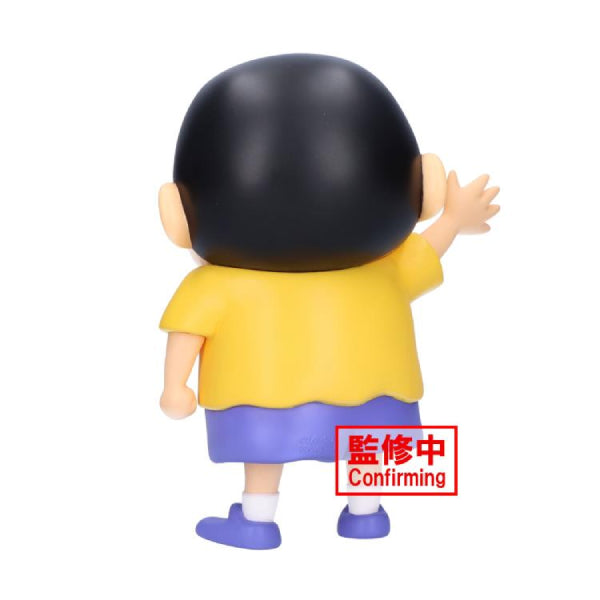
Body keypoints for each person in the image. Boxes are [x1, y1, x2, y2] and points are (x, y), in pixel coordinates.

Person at [158, 54, 500, 549]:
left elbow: (187, 333)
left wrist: (175, 388)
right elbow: (426, 251)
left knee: (265, 456)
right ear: (422, 185)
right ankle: (366, 513)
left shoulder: (218, 285)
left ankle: (257, 521)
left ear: (178, 212)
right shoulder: (381, 273)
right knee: (364, 443)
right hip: (376, 390)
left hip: (261, 394)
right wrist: (451, 219)